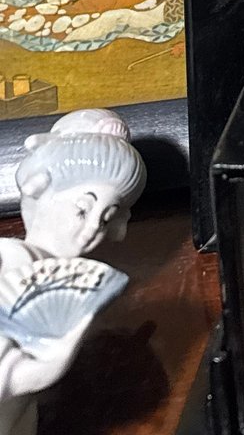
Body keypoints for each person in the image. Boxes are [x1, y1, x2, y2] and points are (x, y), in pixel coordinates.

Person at [0, 109, 146, 435]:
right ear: (41, 189)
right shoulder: (7, 260)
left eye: (105, 218)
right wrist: (41, 370)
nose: (92, 228)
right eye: (82, 209)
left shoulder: (62, 277)